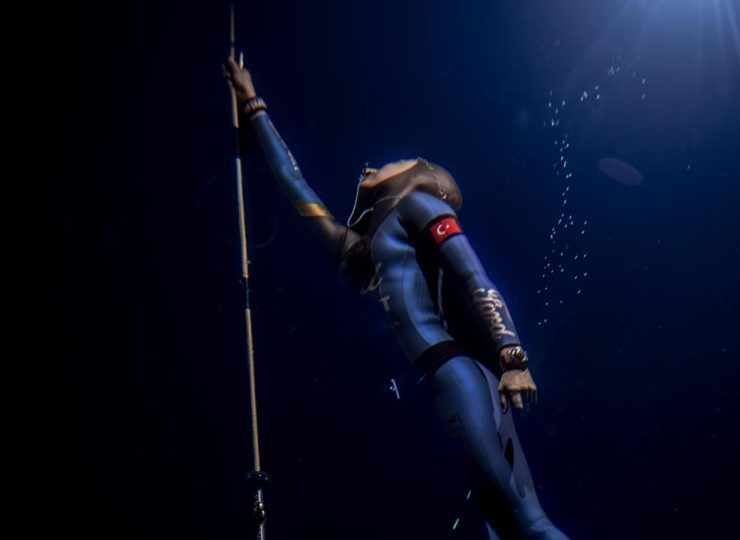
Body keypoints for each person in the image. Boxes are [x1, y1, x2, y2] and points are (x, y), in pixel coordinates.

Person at [225, 57, 569, 540]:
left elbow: (474, 276)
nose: (370, 167)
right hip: (453, 376)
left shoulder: (420, 204)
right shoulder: (363, 248)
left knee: (524, 521)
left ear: (422, 172)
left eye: (390, 162)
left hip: (460, 371)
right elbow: (295, 186)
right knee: (508, 525)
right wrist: (254, 106)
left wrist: (513, 357)